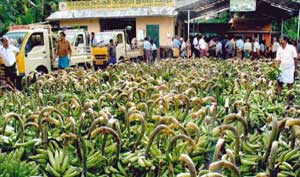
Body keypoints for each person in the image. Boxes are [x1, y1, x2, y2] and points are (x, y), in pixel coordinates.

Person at [276, 35, 298, 104]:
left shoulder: (291, 48)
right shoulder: (279, 49)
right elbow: (278, 60)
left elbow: (295, 59)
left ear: (285, 41)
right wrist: (276, 68)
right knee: (279, 83)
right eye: (280, 40)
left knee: (289, 83)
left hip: (290, 69)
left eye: (281, 40)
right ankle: (279, 97)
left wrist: (295, 68)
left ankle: (288, 99)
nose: (280, 41)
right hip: (281, 68)